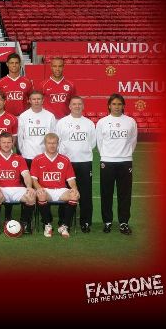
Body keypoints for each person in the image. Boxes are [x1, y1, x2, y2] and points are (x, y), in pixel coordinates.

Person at [96, 93, 138, 235]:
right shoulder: (102, 122)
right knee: (106, 193)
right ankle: (107, 222)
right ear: (109, 106)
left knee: (124, 194)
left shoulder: (131, 122)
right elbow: (99, 142)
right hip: (107, 162)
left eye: (119, 104)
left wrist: (125, 154)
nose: (117, 107)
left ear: (123, 106)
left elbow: (133, 141)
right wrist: (106, 155)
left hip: (125, 162)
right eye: (114, 104)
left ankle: (123, 222)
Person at [56, 95, 96, 233]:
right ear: (69, 106)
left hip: (85, 162)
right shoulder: (62, 122)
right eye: (74, 104)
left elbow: (92, 143)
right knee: (65, 192)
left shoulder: (89, 123)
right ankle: (63, 221)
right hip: (66, 163)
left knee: (85, 194)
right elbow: (58, 142)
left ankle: (85, 222)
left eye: (79, 104)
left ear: (83, 106)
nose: (77, 106)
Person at [30, 133, 80, 238]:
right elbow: (33, 180)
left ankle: (64, 226)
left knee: (74, 195)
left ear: (58, 144)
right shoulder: (37, 159)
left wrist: (74, 188)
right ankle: (47, 225)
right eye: (49, 143)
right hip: (45, 190)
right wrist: (39, 188)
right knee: (41, 195)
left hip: (61, 190)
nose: (52, 145)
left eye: (54, 143)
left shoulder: (65, 159)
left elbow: (71, 180)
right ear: (45, 144)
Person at [0, 132, 35, 235]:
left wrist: (29, 187)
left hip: (17, 189)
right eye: (4, 142)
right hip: (1, 188)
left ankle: (24, 223)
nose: (6, 145)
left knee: (31, 196)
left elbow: (26, 175)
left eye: (9, 142)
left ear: (12, 143)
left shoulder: (19, 158)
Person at [17, 91, 56, 167]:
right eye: (34, 99)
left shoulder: (50, 116)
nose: (36, 101)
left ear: (43, 100)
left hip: (45, 154)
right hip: (28, 155)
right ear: (29, 100)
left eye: (39, 99)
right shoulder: (23, 116)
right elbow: (20, 137)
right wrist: (23, 151)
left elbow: (53, 136)